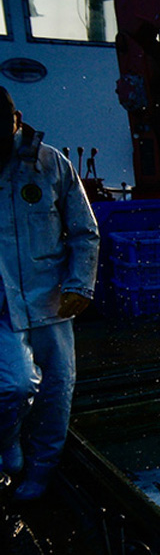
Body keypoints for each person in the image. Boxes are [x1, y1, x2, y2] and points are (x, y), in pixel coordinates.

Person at [0, 87, 100, 501]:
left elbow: (83, 231)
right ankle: (8, 451)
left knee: (57, 394)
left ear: (17, 119)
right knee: (14, 386)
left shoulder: (51, 165)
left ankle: (40, 477)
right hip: (3, 307)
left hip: (50, 301)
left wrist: (80, 285)